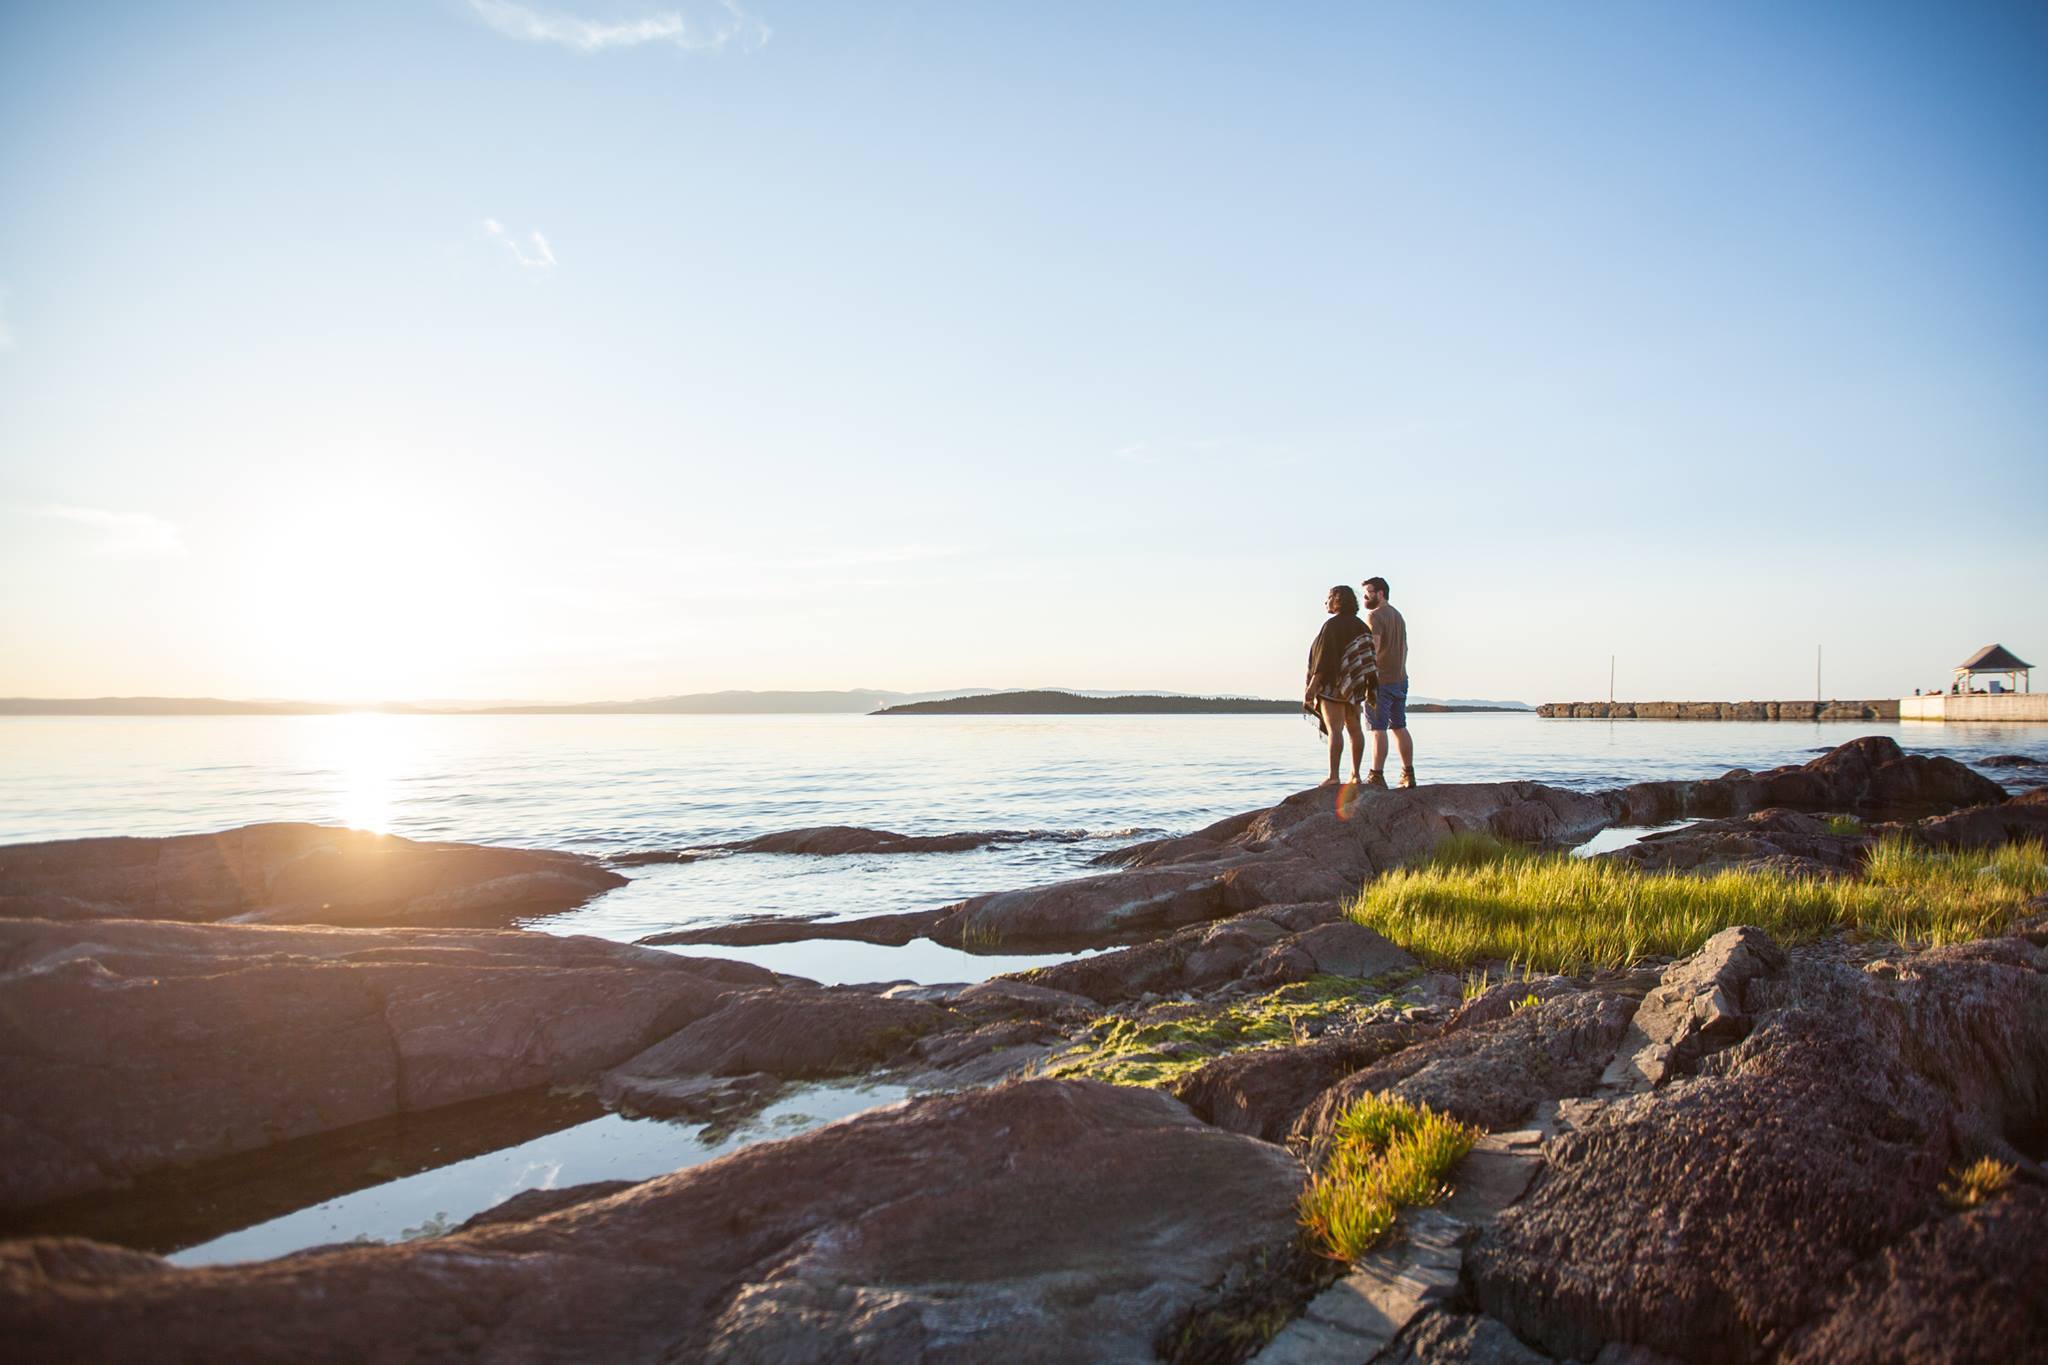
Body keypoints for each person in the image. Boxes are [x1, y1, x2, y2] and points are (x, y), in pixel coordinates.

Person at [1304, 585, 1372, 786]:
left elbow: (1324, 660)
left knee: (1335, 730)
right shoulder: (1361, 626)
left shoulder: (1331, 626)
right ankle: (1356, 775)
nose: (1325, 602)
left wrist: (1312, 687)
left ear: (1337, 600)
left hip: (1332, 686)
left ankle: (1334, 777)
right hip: (1356, 686)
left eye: (1328, 598)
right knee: (1355, 729)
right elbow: (1368, 660)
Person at [1359, 576, 1413, 788]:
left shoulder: (1374, 616)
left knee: (1378, 729)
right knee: (1399, 726)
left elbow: (1372, 648)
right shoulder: (1398, 616)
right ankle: (1408, 774)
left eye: (1368, 593)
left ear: (1380, 593)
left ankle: (1376, 776)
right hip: (1401, 679)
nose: (1364, 597)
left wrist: (1365, 677)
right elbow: (1405, 648)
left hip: (1380, 681)